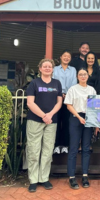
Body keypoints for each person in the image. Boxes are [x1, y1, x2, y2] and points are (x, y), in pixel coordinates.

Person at [26, 59, 63, 192]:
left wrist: (50, 115)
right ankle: (33, 179)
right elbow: (30, 103)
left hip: (51, 121)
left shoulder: (57, 83)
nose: (47, 68)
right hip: (35, 121)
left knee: (47, 150)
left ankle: (44, 178)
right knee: (34, 150)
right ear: (40, 68)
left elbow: (59, 102)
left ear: (52, 69)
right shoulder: (34, 83)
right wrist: (43, 115)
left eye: (50, 67)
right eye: (45, 66)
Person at [64, 68, 97, 190]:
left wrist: (95, 123)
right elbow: (68, 105)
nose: (83, 76)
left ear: (88, 76)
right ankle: (72, 176)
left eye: (85, 74)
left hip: (88, 119)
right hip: (75, 118)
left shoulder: (91, 89)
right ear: (77, 76)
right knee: (73, 147)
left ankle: (84, 175)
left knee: (86, 148)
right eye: (80, 74)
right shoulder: (72, 89)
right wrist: (79, 117)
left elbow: (95, 106)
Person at [52, 50, 77, 154]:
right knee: (56, 121)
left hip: (68, 98)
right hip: (56, 98)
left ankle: (66, 145)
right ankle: (57, 145)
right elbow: (53, 81)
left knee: (67, 122)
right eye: (64, 56)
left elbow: (74, 83)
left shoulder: (73, 69)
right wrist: (60, 93)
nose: (66, 58)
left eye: (68, 56)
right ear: (60, 57)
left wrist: (67, 94)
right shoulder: (55, 69)